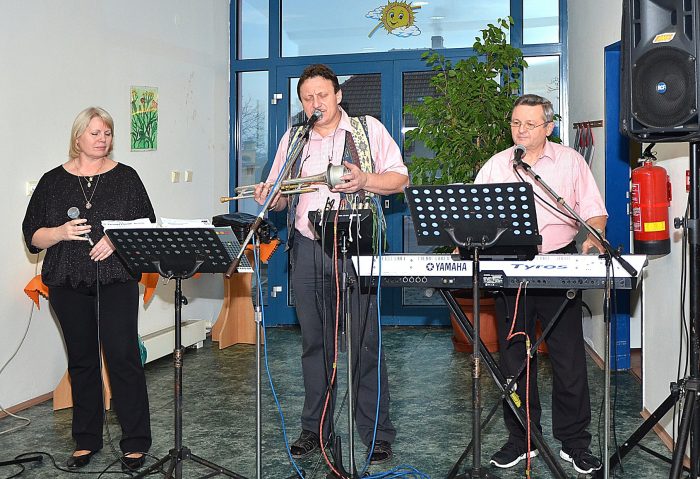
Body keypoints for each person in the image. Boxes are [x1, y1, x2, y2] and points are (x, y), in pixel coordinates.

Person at [254, 64, 408, 465]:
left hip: (356, 247)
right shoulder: (294, 138)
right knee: (315, 344)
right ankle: (315, 429)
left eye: (322, 95)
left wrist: (364, 180)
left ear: (338, 95)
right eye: (307, 98)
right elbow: (281, 197)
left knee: (364, 343)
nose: (315, 104)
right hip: (307, 248)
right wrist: (270, 196)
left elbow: (400, 179)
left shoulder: (368, 130)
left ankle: (377, 434)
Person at [475, 94, 606, 475]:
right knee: (514, 360)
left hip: (558, 263)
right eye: (515, 123)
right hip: (509, 267)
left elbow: (594, 211)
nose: (520, 130)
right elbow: (475, 213)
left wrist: (593, 236)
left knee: (568, 358)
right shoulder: (497, 164)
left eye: (530, 124)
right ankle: (522, 439)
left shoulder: (570, 161)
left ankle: (575, 443)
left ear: (549, 127)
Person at [22, 107, 155, 472]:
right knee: (82, 361)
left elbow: (147, 224)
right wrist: (60, 232)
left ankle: (135, 442)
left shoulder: (126, 178)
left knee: (123, 357)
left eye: (107, 133)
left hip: (117, 280)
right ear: (78, 137)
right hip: (66, 282)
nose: (102, 139)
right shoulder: (52, 181)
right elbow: (32, 235)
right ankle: (86, 440)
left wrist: (116, 239)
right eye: (95, 133)